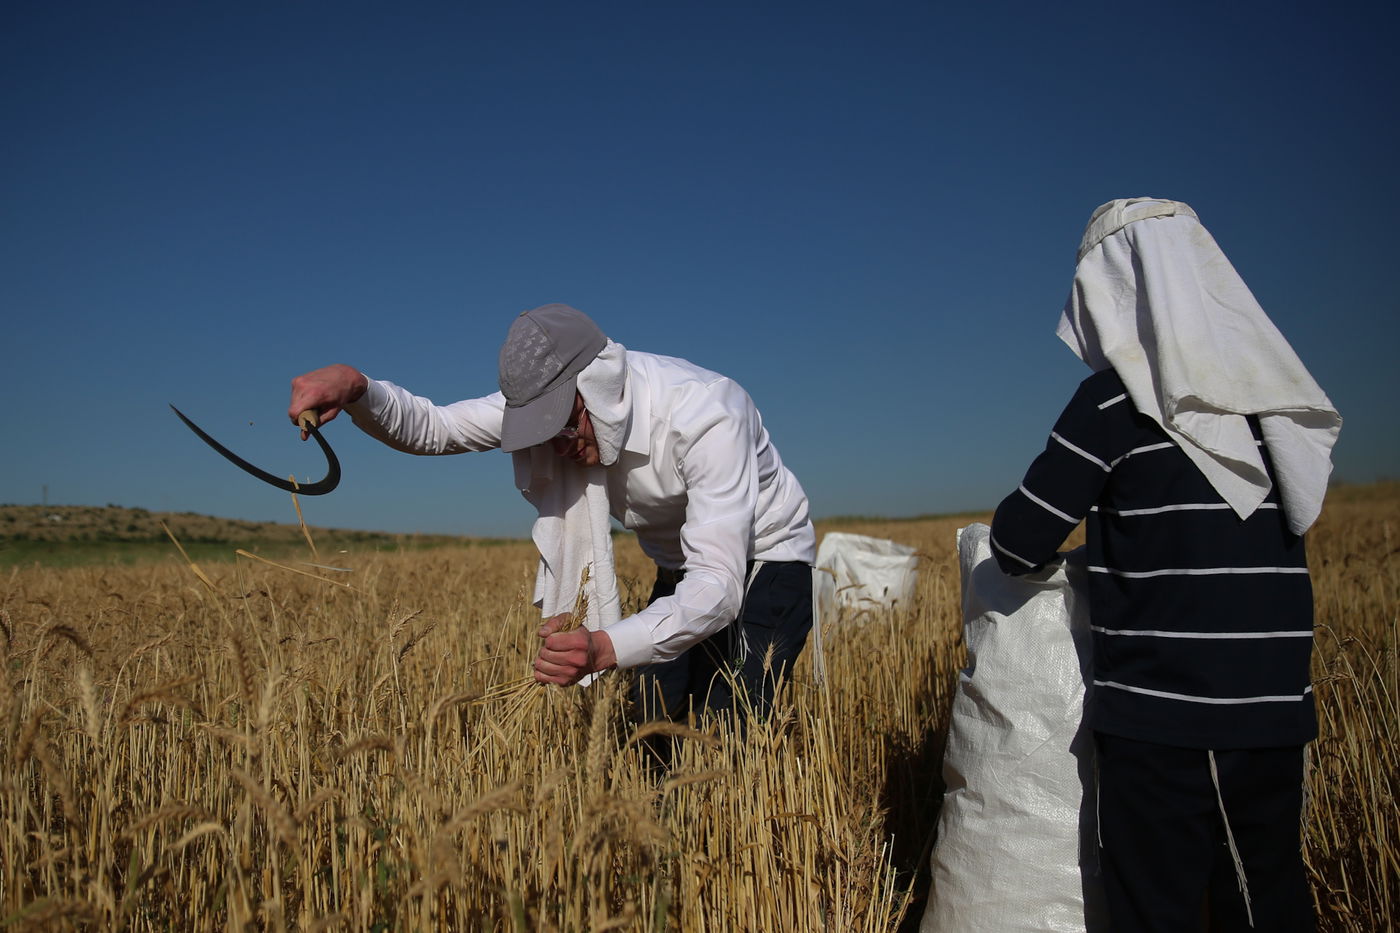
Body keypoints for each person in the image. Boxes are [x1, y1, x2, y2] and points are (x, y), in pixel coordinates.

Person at [989, 199, 1341, 932]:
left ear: (1114, 291)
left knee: (1158, 905)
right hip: (1276, 712)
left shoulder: (1115, 404)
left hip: (1169, 719)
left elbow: (1018, 542)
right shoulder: (1268, 402)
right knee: (1264, 894)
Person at [288, 303, 816, 725]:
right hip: (680, 566)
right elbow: (435, 428)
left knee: (735, 724)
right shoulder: (547, 402)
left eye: (563, 426)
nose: (555, 447)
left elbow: (719, 586)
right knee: (654, 721)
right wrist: (356, 387)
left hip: (766, 558)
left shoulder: (706, 412)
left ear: (599, 387)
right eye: (539, 431)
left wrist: (606, 646)